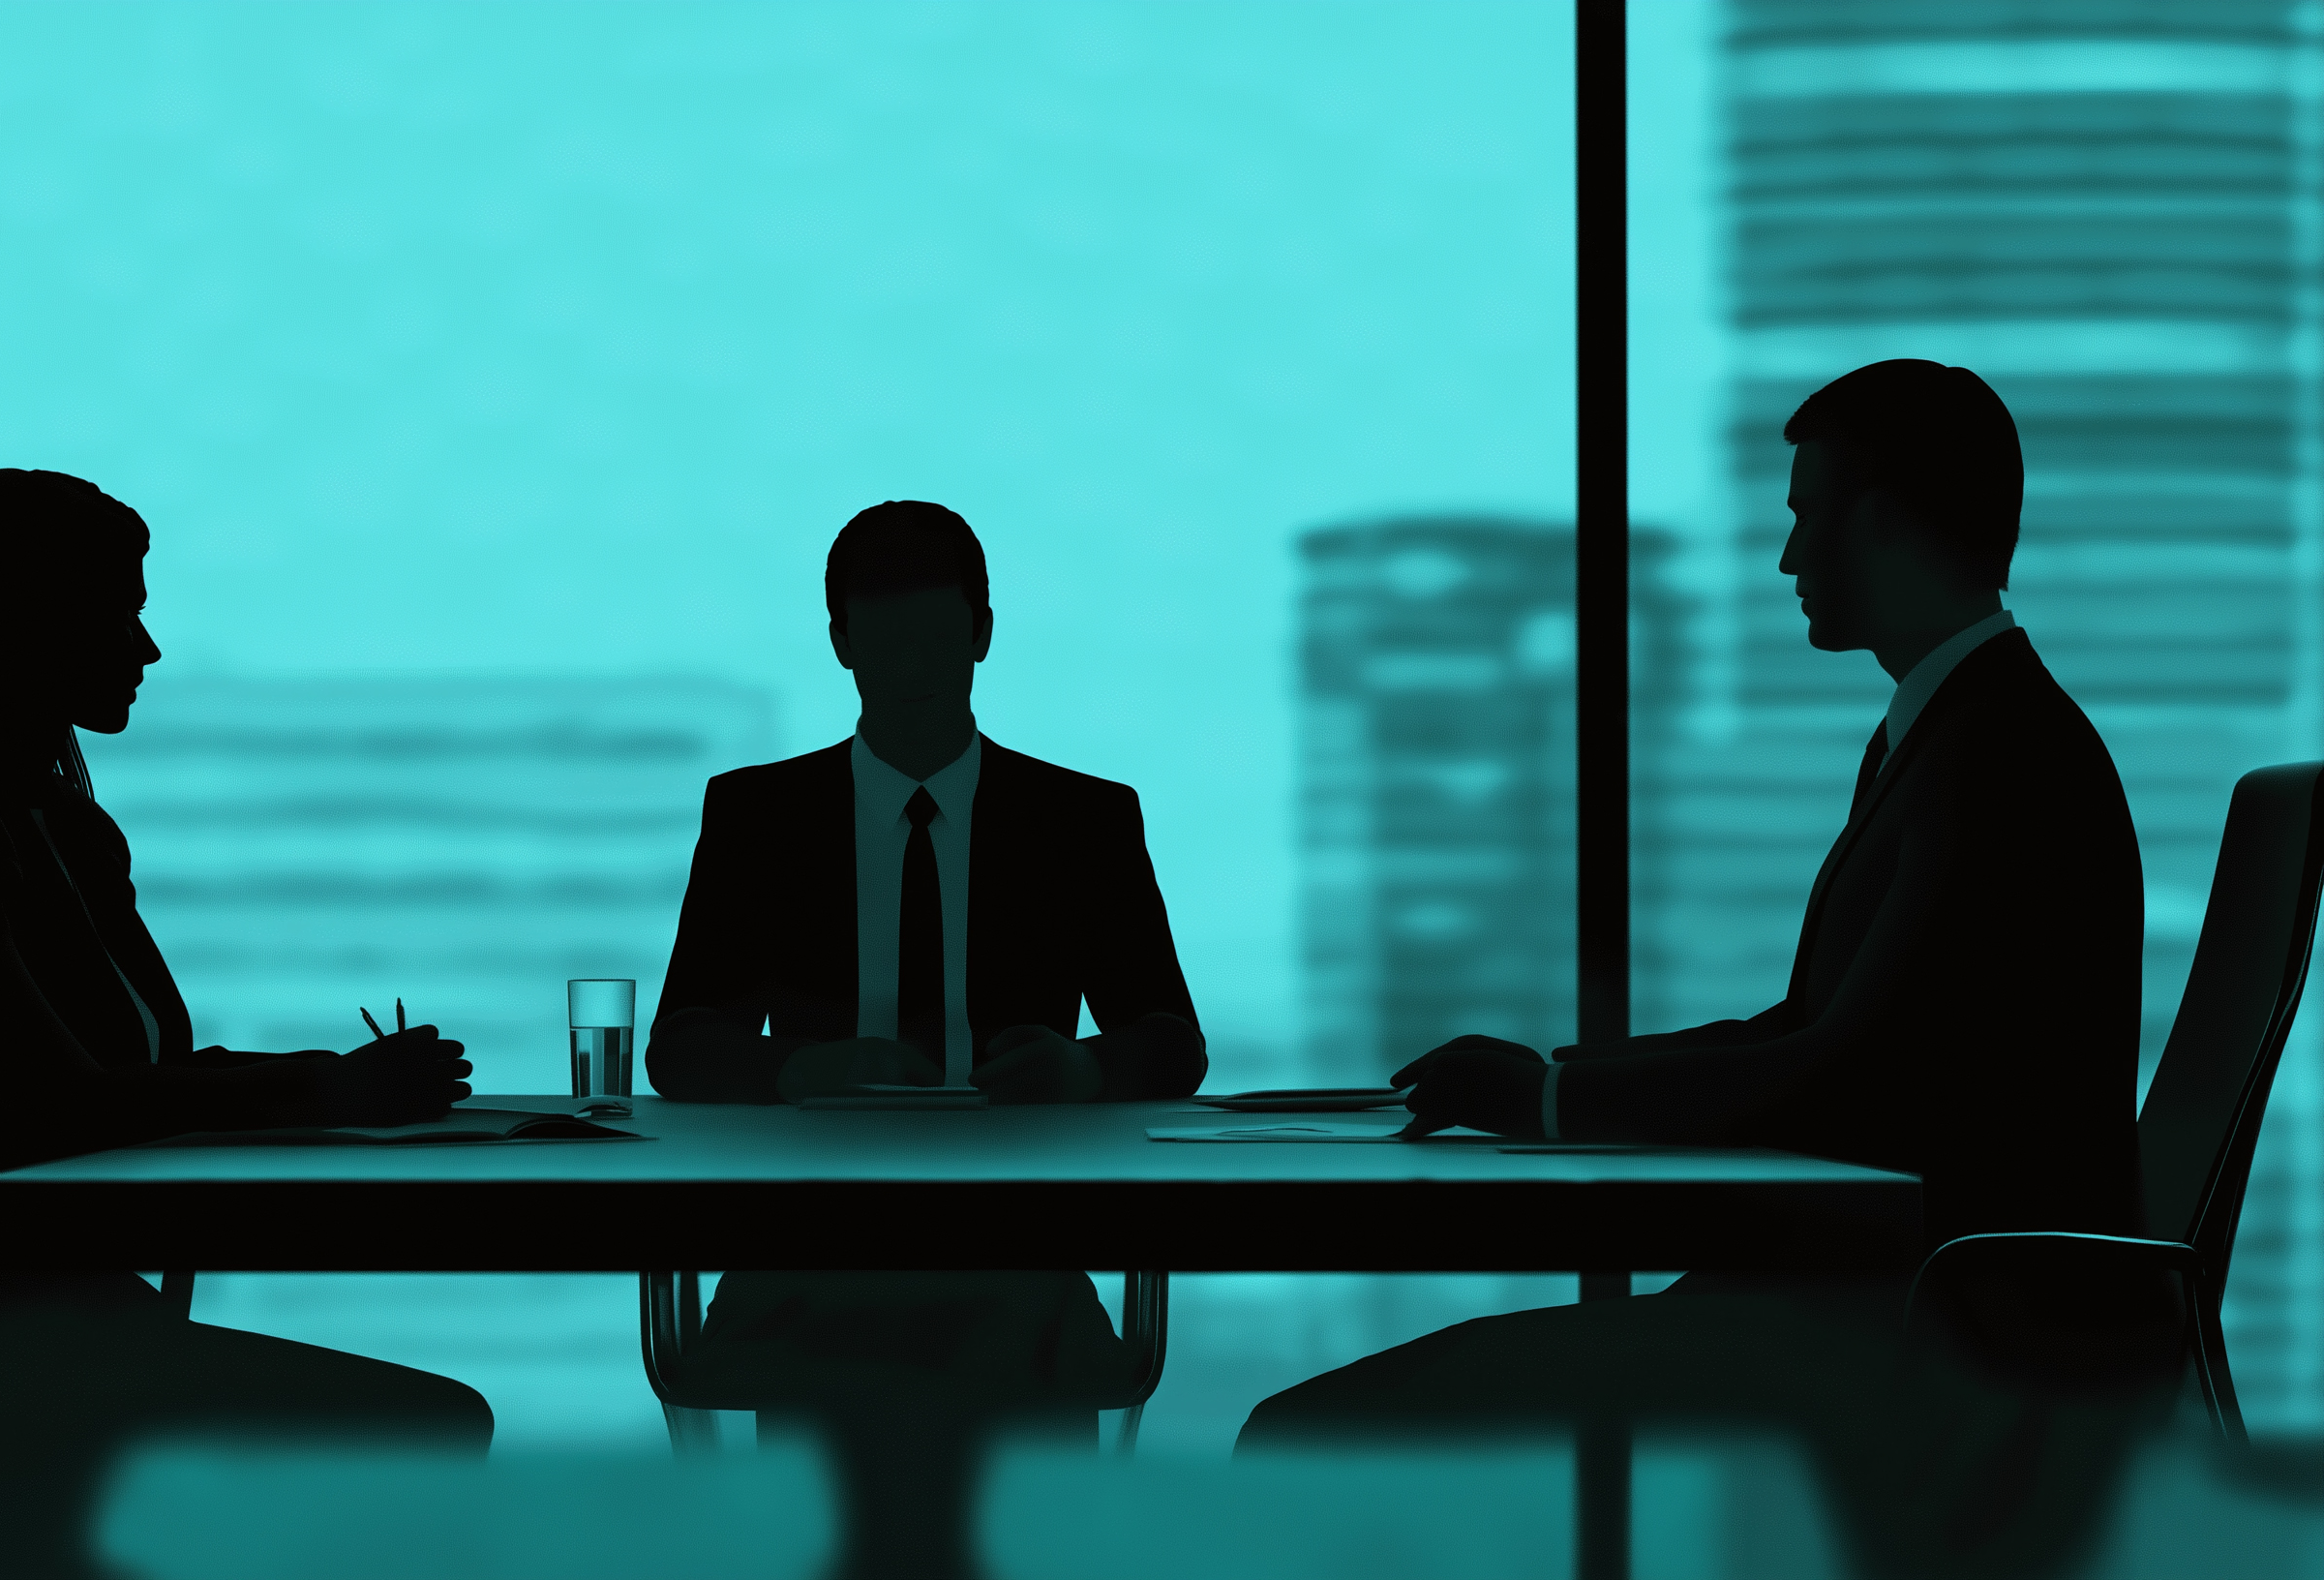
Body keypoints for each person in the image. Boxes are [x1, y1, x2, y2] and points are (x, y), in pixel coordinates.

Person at [1240, 362, 2150, 1507]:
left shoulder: (1996, 758)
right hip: (1890, 1290)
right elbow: (1814, 1030)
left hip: (1925, 1321)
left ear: (1876, 525)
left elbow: (1843, 1071)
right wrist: (1557, 1080)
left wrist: (1546, 1104)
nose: (1786, 559)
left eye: (1804, 517)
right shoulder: (1964, 734)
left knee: (1308, 1435)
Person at [0, 469, 490, 1579]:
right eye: (117, 611)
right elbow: (57, 1108)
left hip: (56, 1306)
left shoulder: (62, 827)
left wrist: (334, 1081)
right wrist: (320, 1092)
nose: (146, 647)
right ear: (18, 620)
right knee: (427, 1426)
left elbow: (140, 1074)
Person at [649, 500, 1204, 1578]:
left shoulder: (1080, 821)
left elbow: (1170, 1039)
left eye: (933, 633)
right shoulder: (758, 816)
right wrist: (797, 1068)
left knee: (1012, 1538)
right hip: (808, 1253)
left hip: (1015, 1248)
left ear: (981, 633)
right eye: (885, 632)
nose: (910, 659)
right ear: (840, 643)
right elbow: (680, 1043)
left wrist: (1085, 1068)